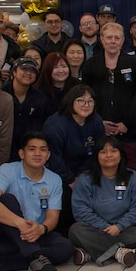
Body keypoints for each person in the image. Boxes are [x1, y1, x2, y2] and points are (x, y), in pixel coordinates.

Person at [0, 132, 72, 271]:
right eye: (32, 149)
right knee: (7, 199)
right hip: (6, 232)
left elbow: (52, 217)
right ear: (21, 153)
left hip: (33, 234)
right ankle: (36, 255)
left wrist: (41, 229)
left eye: (43, 149)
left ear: (48, 155)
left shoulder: (54, 179)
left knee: (65, 248)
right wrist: (20, 224)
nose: (38, 153)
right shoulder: (7, 170)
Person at [69, 135, 136, 267]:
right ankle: (119, 253)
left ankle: (89, 252)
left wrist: (119, 226)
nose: (109, 155)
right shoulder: (85, 179)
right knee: (75, 230)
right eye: (103, 152)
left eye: (113, 151)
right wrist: (104, 226)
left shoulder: (133, 178)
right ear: (96, 156)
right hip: (96, 229)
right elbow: (80, 211)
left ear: (121, 155)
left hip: (124, 229)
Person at [81, 22, 136, 169]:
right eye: (109, 37)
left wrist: (126, 123)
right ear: (102, 39)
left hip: (127, 131)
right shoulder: (91, 64)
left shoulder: (132, 63)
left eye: (117, 38)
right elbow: (85, 97)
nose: (113, 41)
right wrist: (99, 122)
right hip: (98, 129)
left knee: (131, 170)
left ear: (122, 40)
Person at [43, 86, 105, 231]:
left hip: (86, 171)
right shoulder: (56, 125)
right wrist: (71, 180)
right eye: (81, 100)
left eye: (90, 101)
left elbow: (98, 151)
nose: (86, 105)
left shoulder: (95, 121)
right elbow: (54, 158)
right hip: (58, 173)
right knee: (66, 197)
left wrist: (83, 176)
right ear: (70, 102)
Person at [3, 56, 54, 157]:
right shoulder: (2, 94)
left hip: (30, 152)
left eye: (32, 71)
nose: (28, 73)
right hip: (4, 149)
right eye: (24, 69)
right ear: (14, 72)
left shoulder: (40, 98)